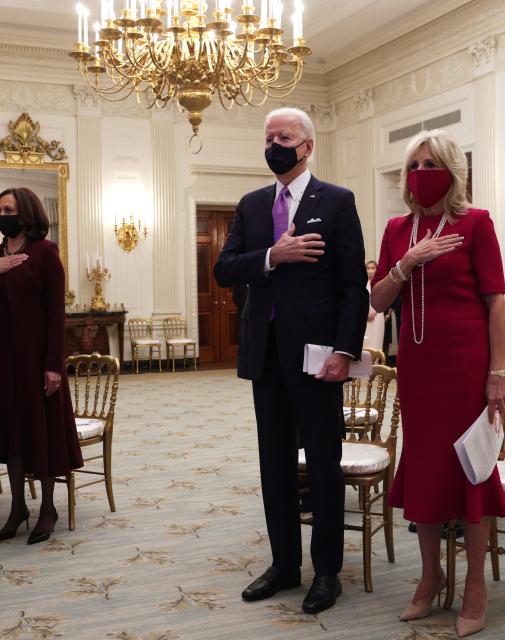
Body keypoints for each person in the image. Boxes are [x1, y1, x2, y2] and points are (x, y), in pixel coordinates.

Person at [214, 107, 368, 614]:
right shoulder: (252, 204)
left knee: (322, 463)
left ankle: (327, 572)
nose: (273, 143)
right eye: (267, 136)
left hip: (319, 356)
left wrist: (346, 351)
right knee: (275, 463)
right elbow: (223, 267)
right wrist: (271, 257)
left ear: (307, 146)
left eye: (284, 135)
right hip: (265, 353)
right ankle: (284, 565)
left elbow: (352, 286)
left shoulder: (337, 201)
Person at [370, 129, 505, 638]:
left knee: (470, 469)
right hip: (417, 365)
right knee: (426, 468)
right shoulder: (395, 229)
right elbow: (380, 300)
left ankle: (476, 583)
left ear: (452, 171)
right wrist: (408, 263)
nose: (421, 173)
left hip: (467, 364)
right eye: (414, 165)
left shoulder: (476, 223)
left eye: (431, 164)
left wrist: (497, 372)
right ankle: (430, 577)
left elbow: (496, 299)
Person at [0, 187, 83, 545]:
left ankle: (47, 508)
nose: (3, 215)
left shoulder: (45, 253)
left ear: (26, 214)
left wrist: (54, 367)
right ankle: (16, 507)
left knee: (37, 432)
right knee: (10, 435)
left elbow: (54, 314)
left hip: (35, 362)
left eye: (9, 209)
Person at [363, 260, 385, 352]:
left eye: (373, 268)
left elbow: (383, 298)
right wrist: (365, 312)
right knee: (365, 343)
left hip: (378, 315)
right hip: (364, 316)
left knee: (376, 341)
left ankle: (376, 363)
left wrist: (374, 311)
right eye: (368, 268)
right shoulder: (361, 284)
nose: (370, 270)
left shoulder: (380, 284)